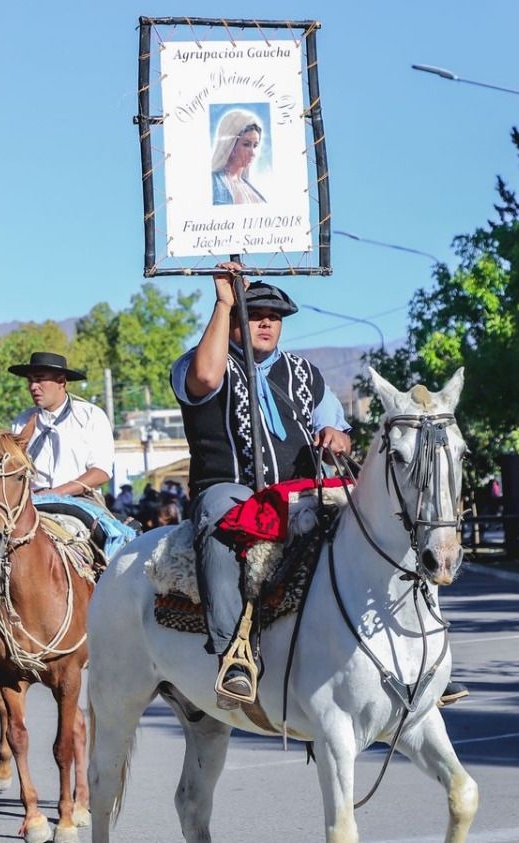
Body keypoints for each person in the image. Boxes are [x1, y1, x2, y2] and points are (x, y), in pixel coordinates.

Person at [171, 263, 352, 707]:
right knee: (224, 526)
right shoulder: (198, 362)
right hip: (228, 488)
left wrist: (336, 436)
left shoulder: (305, 373)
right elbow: (206, 380)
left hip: (299, 491)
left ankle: (398, 651)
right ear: (234, 321)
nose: (267, 322)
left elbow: (338, 429)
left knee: (366, 527)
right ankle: (234, 654)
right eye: (254, 315)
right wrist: (224, 303)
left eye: (275, 316)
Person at [8, 352, 114, 503]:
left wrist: (55, 493)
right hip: (32, 502)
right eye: (30, 381)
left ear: (61, 381)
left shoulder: (90, 416)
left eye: (39, 379)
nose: (33, 387)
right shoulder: (21, 422)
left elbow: (101, 472)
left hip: (81, 500)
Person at [211, 109, 268, 205]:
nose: (252, 153)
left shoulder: (250, 188)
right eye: (246, 144)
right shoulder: (213, 183)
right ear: (230, 145)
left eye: (255, 146)